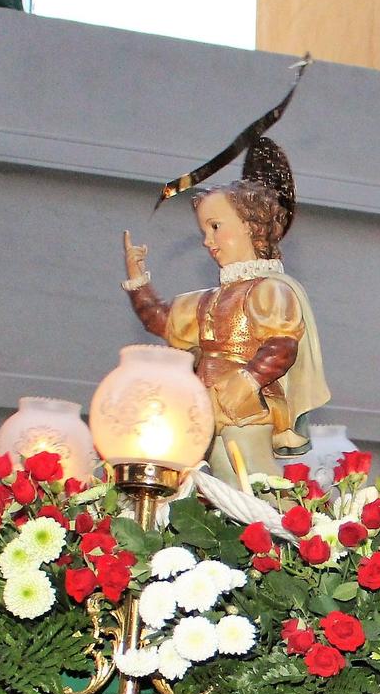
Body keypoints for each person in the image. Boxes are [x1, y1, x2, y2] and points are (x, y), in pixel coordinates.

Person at [121, 138, 331, 486]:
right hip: (204, 411)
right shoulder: (206, 300)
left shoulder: (270, 290)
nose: (207, 240)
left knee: (250, 481)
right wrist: (137, 278)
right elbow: (160, 320)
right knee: (208, 485)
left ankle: (279, 530)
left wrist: (247, 381)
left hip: (245, 412)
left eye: (215, 227)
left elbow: (282, 344)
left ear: (250, 226)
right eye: (204, 230)